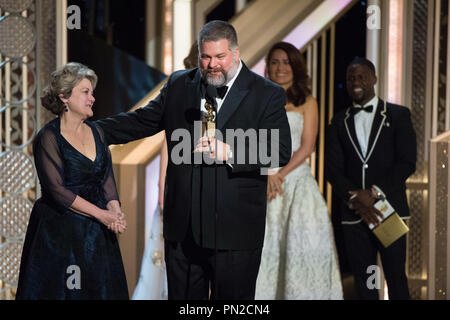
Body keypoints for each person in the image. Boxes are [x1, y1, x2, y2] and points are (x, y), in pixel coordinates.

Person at [97, 20, 292, 300]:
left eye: (220, 57)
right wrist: (94, 131)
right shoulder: (179, 84)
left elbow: (280, 149)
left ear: (236, 54)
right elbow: (142, 121)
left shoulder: (266, 93)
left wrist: (229, 151)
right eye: (206, 56)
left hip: (234, 233)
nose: (212, 64)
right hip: (183, 233)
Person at [16, 62, 129, 300]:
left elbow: (105, 176)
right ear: (64, 97)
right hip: (60, 232)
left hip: (97, 234)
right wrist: (101, 214)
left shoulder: (97, 132)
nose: (92, 98)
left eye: (92, 92)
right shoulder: (49, 137)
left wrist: (115, 210)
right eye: (85, 92)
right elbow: (56, 191)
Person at [254, 42, 343, 300]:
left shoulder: (308, 101)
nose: (281, 67)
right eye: (275, 62)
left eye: (286, 62)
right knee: (264, 252)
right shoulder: (256, 99)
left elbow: (308, 146)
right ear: (267, 67)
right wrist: (267, 171)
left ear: (296, 66)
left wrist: (279, 174)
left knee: (301, 250)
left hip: (296, 184)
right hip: (264, 184)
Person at [325, 57, 416, 300]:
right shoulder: (338, 121)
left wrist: (373, 193)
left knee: (396, 279)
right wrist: (356, 199)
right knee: (364, 284)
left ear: (374, 79)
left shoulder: (398, 115)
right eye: (351, 78)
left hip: (389, 210)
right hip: (354, 215)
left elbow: (407, 162)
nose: (356, 81)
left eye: (362, 75)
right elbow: (333, 170)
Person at [132, 41, 199, 300]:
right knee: (168, 257)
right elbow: (167, 142)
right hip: (177, 191)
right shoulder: (180, 92)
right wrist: (163, 188)